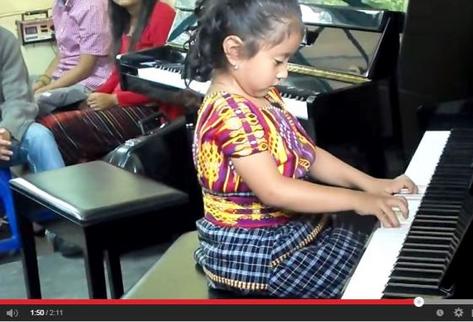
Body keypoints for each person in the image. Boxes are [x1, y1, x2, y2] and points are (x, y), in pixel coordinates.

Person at [186, 0, 418, 298]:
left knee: (365, 236)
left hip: (284, 230)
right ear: (234, 51)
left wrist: (372, 184)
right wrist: (358, 199)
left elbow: (309, 153)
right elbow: (275, 191)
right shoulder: (230, 114)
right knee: (361, 270)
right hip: (255, 250)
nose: (284, 72)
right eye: (278, 61)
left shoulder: (263, 93)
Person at [38, 0, 177, 165]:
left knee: (54, 128)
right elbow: (117, 72)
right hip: (124, 102)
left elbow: (163, 84)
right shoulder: (122, 18)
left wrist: (115, 100)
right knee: (45, 122)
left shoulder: (162, 14)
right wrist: (98, 94)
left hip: (152, 111)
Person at [0, 26, 64, 173]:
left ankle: (60, 194)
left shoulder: (4, 39)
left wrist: (5, 131)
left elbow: (17, 98)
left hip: (2, 131)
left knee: (39, 137)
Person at [33, 0, 112, 116]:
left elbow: (85, 69)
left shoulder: (91, 6)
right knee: (16, 88)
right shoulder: (59, 4)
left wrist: (45, 89)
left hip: (85, 83)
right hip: (64, 78)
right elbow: (63, 52)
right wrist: (42, 81)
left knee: (29, 104)